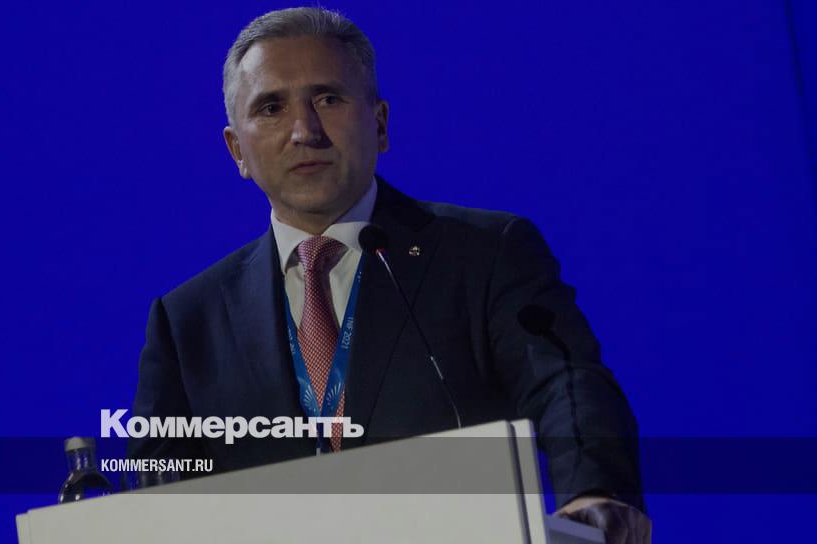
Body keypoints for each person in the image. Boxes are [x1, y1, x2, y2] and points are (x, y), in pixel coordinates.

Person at [129, 7, 651, 543]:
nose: (304, 131)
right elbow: (159, 491)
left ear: (379, 124)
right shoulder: (186, 321)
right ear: (237, 150)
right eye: (271, 107)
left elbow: (565, 382)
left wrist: (594, 490)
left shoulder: (485, 254)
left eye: (328, 99)